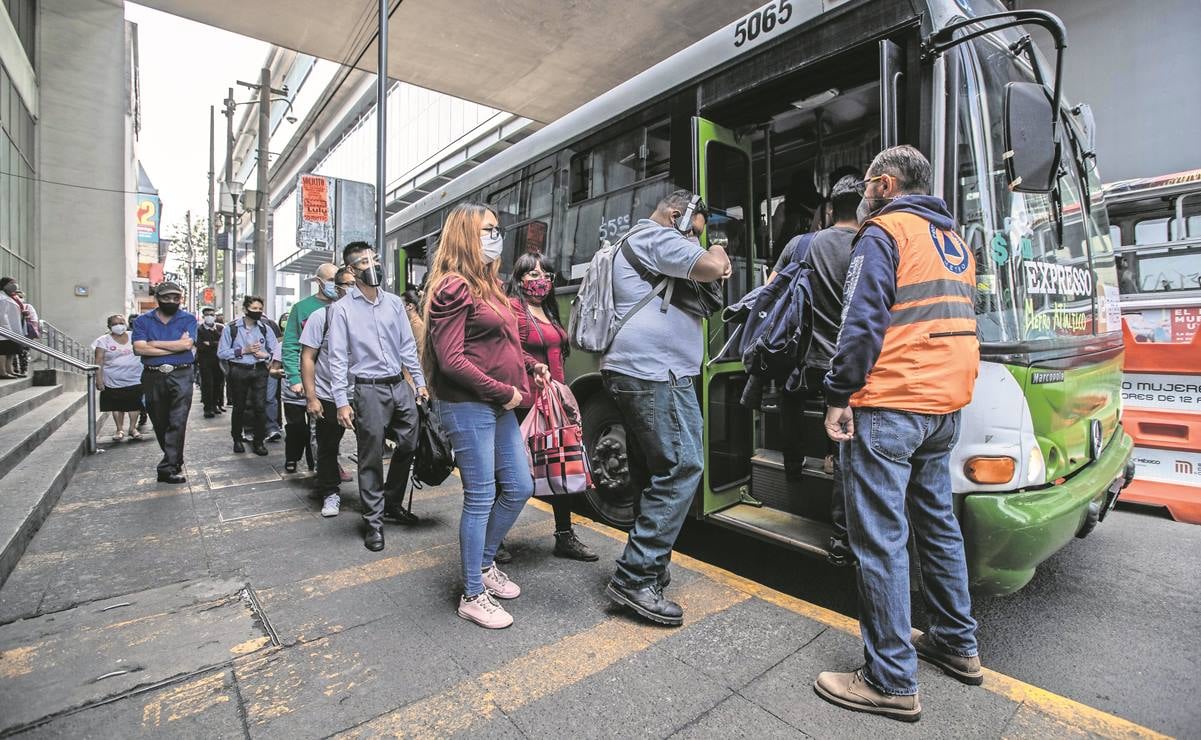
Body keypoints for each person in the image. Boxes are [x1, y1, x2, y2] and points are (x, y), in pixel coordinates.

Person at [815, 145, 982, 722]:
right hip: (944, 405)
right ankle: (956, 642)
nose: (861, 193)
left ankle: (889, 679)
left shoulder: (883, 233)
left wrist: (839, 395)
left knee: (880, 539)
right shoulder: (954, 241)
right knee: (937, 524)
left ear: (885, 185)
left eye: (866, 183)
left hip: (891, 403)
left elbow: (860, 323)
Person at [600, 190, 731, 626]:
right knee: (683, 467)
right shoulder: (655, 236)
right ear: (677, 214)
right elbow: (716, 267)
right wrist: (716, 248)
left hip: (643, 371)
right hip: (656, 372)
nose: (699, 236)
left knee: (653, 468)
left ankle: (649, 566)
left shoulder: (644, 241)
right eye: (695, 227)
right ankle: (635, 576)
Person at [426, 203, 548, 629]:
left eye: (497, 229)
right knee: (480, 497)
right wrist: (506, 391)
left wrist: (530, 368)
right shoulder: (453, 287)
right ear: (464, 236)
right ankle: (472, 593)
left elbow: (499, 346)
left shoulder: (490, 286)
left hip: (498, 403)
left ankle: (484, 564)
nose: (495, 237)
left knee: (518, 485)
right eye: (486, 231)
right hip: (469, 405)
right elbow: (451, 361)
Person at [772, 174, 863, 567]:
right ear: (863, 207)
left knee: (789, 400)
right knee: (842, 432)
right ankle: (841, 532)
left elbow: (772, 288)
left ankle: (792, 467)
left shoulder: (802, 244)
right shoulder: (871, 245)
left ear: (830, 210)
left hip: (806, 356)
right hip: (847, 362)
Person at [327, 241, 426, 552]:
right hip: (367, 388)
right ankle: (373, 521)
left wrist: (419, 382)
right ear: (351, 271)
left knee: (410, 442)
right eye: (363, 261)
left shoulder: (395, 303)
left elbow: (408, 346)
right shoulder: (341, 309)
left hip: (399, 385)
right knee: (370, 456)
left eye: (375, 258)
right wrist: (342, 401)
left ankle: (391, 502)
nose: (372, 265)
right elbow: (338, 358)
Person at [504, 251, 598, 562]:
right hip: (525, 403)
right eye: (533, 274)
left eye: (545, 274)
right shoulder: (515, 309)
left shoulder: (548, 309)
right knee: (512, 472)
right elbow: (511, 349)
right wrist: (533, 366)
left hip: (553, 401)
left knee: (562, 465)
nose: (541, 280)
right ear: (519, 280)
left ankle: (564, 536)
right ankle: (497, 537)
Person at [301, 267, 357, 517]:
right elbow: (308, 357)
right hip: (328, 394)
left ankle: (373, 496)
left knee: (369, 446)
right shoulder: (320, 317)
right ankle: (330, 492)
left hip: (361, 393)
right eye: (343, 283)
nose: (349, 289)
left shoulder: (366, 317)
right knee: (327, 447)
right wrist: (311, 397)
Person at [131, 281, 198, 484]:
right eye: (167, 297)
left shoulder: (188, 319)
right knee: (160, 421)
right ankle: (175, 459)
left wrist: (155, 343)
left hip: (182, 374)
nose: (171, 301)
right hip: (153, 376)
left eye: (176, 298)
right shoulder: (143, 321)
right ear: (157, 299)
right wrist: (175, 347)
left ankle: (167, 467)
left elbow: (187, 344)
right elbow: (139, 349)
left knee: (177, 420)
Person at [279, 264, 341, 473]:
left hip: (329, 381)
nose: (334, 284)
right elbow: (290, 345)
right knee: (300, 427)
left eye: (337, 279)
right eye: (330, 280)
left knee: (323, 429)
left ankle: (322, 466)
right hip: (303, 381)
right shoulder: (301, 308)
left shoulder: (343, 306)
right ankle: (300, 460)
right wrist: (294, 378)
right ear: (319, 282)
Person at [218, 295, 277, 456]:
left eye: (260, 309)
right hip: (239, 370)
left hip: (259, 370)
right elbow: (222, 353)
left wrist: (264, 355)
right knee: (239, 406)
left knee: (260, 406)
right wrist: (243, 350)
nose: (257, 312)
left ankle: (259, 441)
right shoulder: (231, 328)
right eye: (254, 309)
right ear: (245, 310)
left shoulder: (265, 328)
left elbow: (274, 350)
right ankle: (237, 438)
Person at [92, 314, 146, 442]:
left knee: (134, 404)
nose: (119, 326)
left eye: (121, 322)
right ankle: (119, 429)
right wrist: (98, 379)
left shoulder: (134, 336)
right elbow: (98, 360)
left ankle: (132, 428)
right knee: (117, 405)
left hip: (135, 378)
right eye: (115, 324)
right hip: (113, 379)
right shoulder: (103, 340)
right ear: (109, 326)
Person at [196, 307, 224, 418]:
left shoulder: (220, 329)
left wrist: (210, 343)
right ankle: (208, 408)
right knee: (207, 384)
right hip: (205, 362)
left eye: (212, 314)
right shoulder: (199, 330)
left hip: (219, 361)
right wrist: (213, 344)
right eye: (207, 314)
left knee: (218, 383)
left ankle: (215, 405)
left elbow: (223, 344)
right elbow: (200, 345)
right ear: (203, 316)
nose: (209, 316)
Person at [0, 278, 23, 378]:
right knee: (3, 352)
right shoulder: (2, 298)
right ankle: (3, 372)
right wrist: (7, 329)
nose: (14, 285)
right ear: (4, 285)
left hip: (13, 330)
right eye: (11, 283)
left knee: (11, 351)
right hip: (5, 329)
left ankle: (10, 370)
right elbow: (1, 315)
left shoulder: (10, 297)